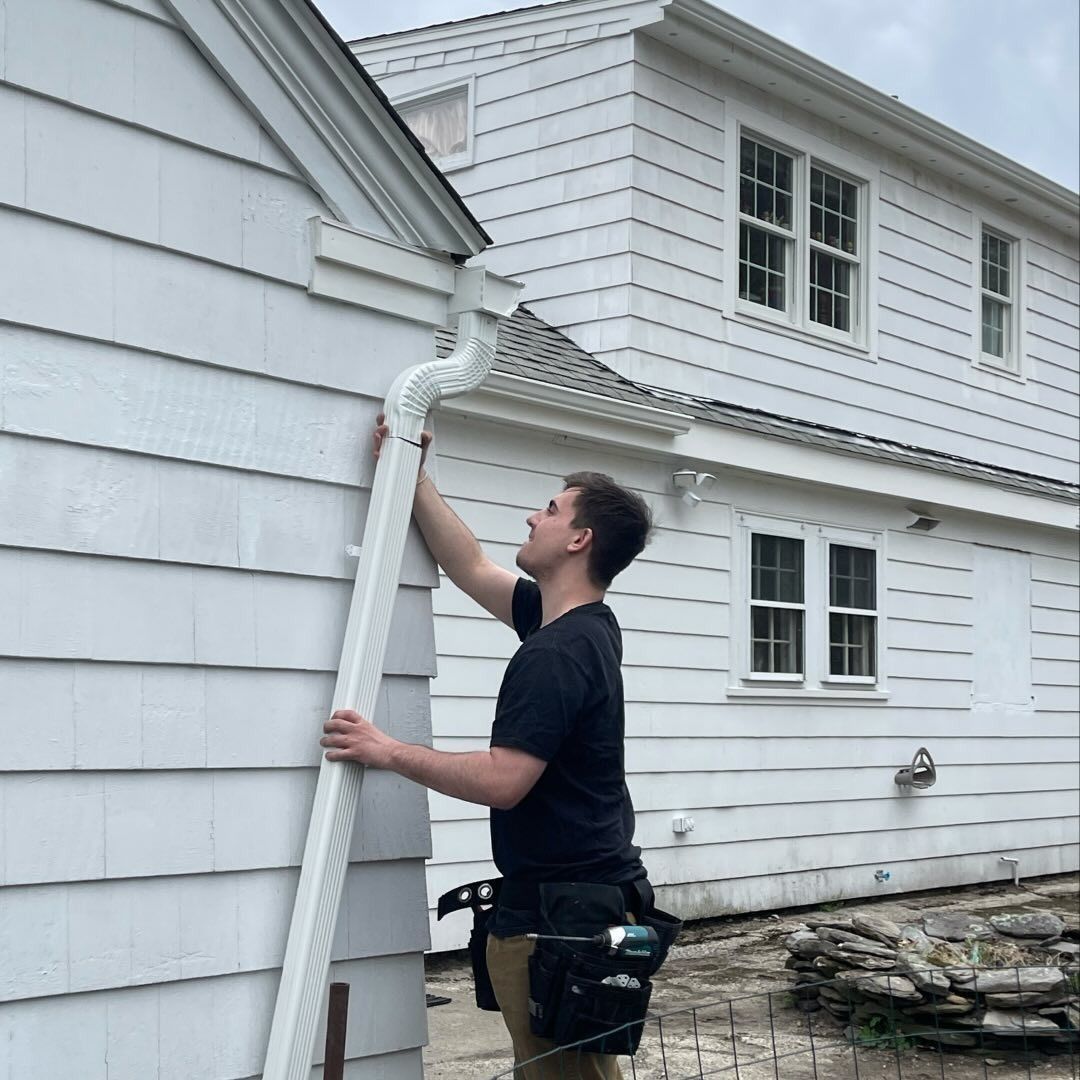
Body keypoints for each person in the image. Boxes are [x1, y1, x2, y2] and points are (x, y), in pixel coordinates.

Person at [321, 417, 660, 1079]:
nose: (534, 517)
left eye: (552, 509)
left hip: (557, 924)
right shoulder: (581, 625)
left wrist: (386, 750)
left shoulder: (557, 653)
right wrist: (413, 477)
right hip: (582, 908)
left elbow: (505, 780)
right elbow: (470, 565)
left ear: (580, 538)